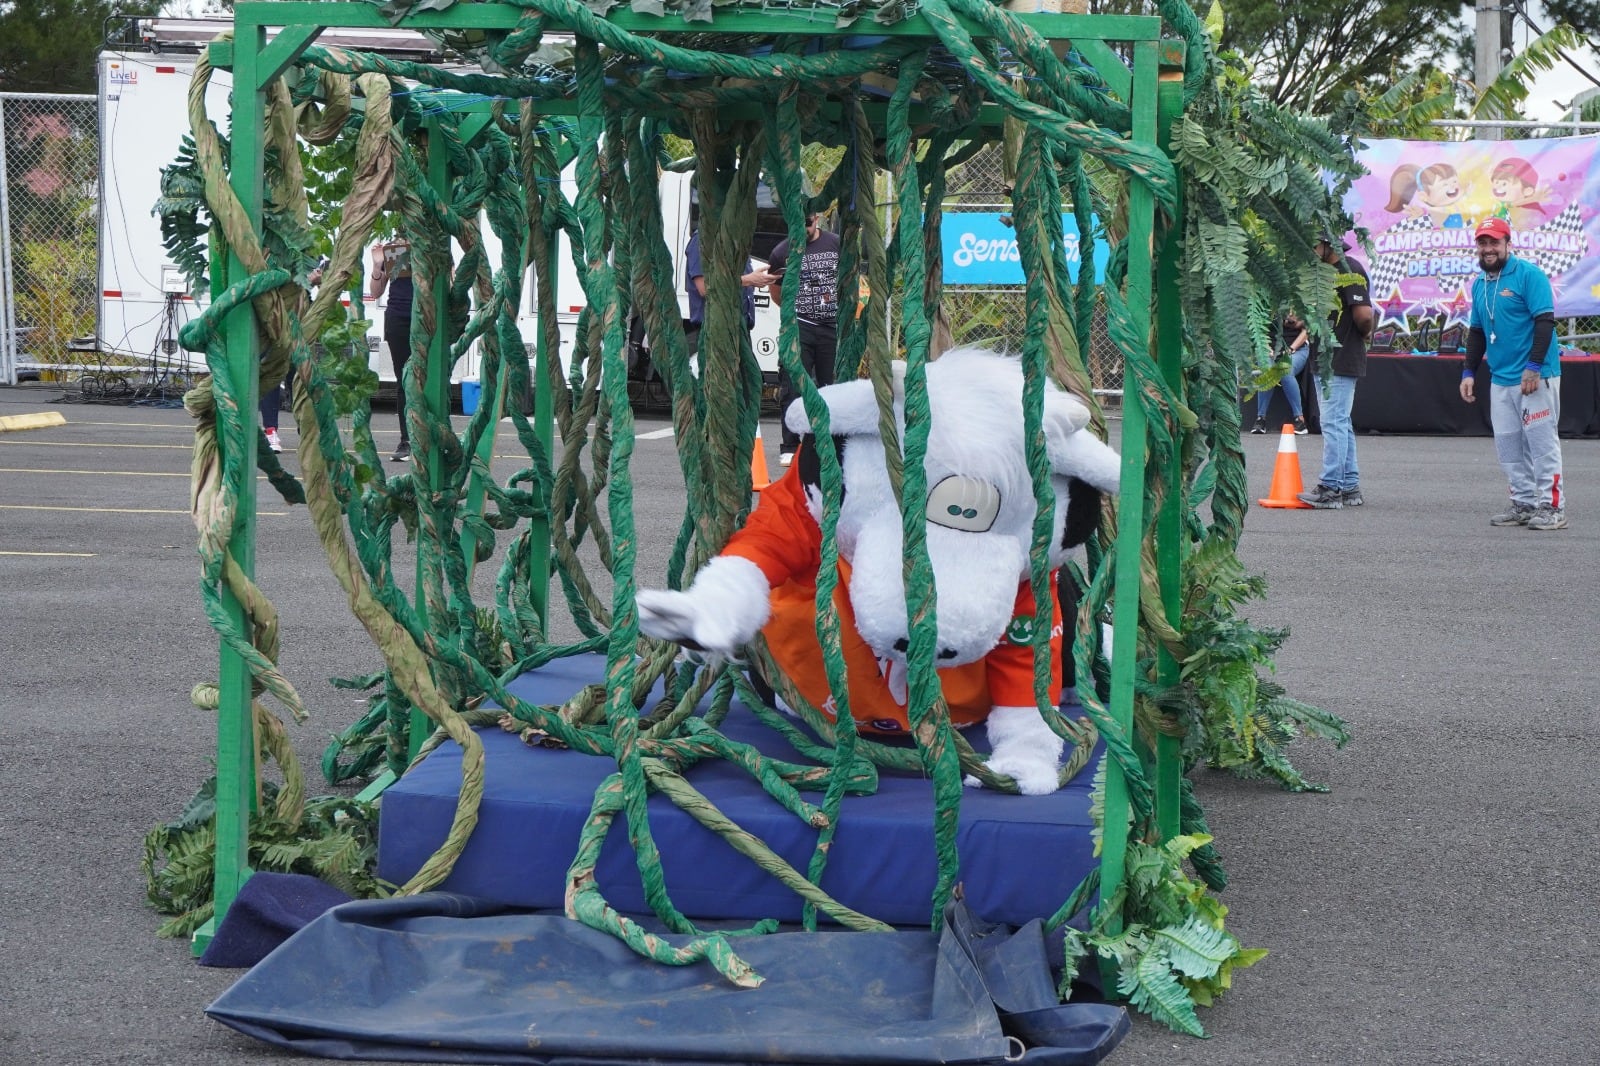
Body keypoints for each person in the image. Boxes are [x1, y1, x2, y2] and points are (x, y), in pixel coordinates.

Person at [1458, 216, 1567, 530]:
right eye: (1483, 243)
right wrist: (1468, 371)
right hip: (1501, 378)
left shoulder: (1529, 275)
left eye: (1495, 242)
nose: (1489, 249)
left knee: (1541, 443)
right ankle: (1523, 502)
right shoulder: (1480, 284)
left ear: (1508, 243)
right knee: (1508, 445)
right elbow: (1477, 332)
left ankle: (1552, 507)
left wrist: (1533, 367)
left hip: (1535, 376)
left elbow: (1545, 322)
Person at [1297, 235, 1373, 509]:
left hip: (1340, 357)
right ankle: (1350, 486)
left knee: (1333, 423)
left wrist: (1361, 336)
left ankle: (1330, 489)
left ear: (1329, 244)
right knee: (1341, 422)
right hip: (1326, 357)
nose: (1310, 250)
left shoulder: (1348, 269)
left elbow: (1364, 316)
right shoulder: (1325, 273)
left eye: (1313, 245)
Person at [767, 212, 841, 466]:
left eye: (807, 222)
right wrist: (797, 313)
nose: (804, 227)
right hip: (800, 327)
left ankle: (825, 440)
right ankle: (789, 445)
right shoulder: (781, 252)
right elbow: (776, 292)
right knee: (792, 384)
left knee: (828, 385)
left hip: (831, 327)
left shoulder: (834, 244)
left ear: (817, 219)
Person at [683, 230, 777, 357]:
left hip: (740, 329)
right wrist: (748, 280)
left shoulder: (735, 236)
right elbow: (705, 287)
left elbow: (739, 278)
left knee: (751, 376)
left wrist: (757, 280)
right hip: (716, 330)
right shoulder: (702, 238)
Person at [369, 236, 414, 462]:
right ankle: (406, 440)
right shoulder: (395, 249)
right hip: (398, 317)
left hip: (426, 316)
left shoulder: (433, 242)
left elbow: (452, 280)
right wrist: (378, 265)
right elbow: (376, 292)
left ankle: (429, 439)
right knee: (403, 380)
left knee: (430, 379)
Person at [1251, 314, 1310, 435]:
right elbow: (1257, 330)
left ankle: (1299, 419)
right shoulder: (1264, 305)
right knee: (1267, 369)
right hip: (1269, 350)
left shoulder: (1300, 301)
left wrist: (1290, 349)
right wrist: (1267, 349)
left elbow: (1308, 329)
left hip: (1297, 349)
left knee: (1285, 370)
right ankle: (1260, 418)